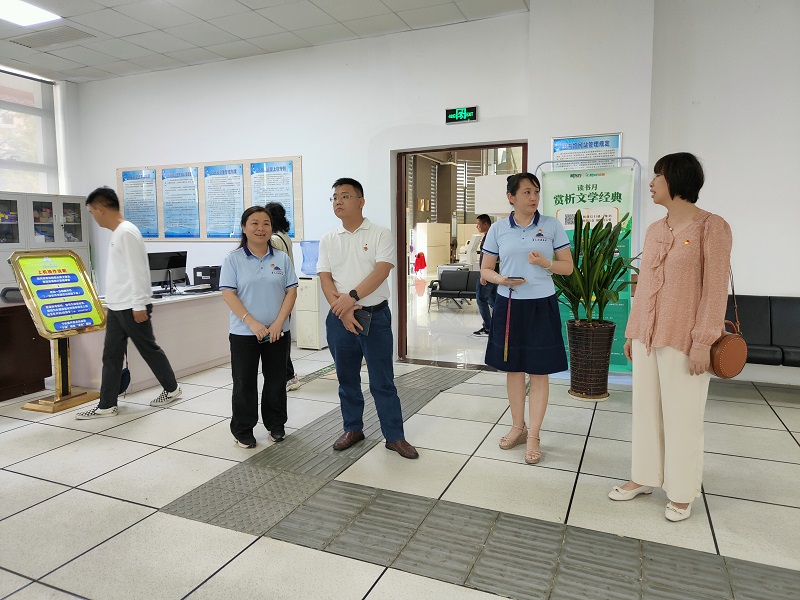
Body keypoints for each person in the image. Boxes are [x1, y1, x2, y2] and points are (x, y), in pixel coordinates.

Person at [609, 152, 732, 522]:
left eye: (658, 175)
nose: (651, 183)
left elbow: (715, 291)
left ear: (677, 180)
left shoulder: (712, 227)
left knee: (683, 417)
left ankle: (681, 492)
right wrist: (632, 332)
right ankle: (644, 476)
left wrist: (703, 341)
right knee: (646, 412)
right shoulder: (655, 230)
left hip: (685, 340)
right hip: (647, 336)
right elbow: (645, 286)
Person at [317, 177, 418, 459]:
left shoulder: (380, 234)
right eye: (334, 197)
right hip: (339, 319)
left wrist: (350, 298)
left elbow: (382, 271)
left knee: (382, 381)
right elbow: (325, 277)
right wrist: (342, 309)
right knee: (346, 378)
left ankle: (394, 436)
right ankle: (353, 429)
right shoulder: (328, 238)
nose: (338, 201)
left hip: (375, 317)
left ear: (361, 201)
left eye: (345, 196)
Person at [480, 173, 573, 464]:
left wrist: (545, 263)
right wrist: (501, 279)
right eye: (527, 192)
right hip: (509, 304)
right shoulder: (498, 229)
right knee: (514, 369)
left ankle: (534, 435)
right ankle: (517, 427)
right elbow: (485, 269)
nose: (533, 198)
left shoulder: (551, 225)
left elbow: (568, 268)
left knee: (540, 371)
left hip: (542, 304)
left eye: (536, 192)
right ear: (511, 197)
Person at [76, 187, 182, 419]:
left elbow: (138, 270)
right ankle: (107, 405)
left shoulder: (126, 232)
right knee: (111, 355)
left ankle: (172, 388)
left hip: (131, 306)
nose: (93, 217)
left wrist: (139, 304)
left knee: (148, 349)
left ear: (101, 209)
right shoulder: (119, 233)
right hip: (117, 306)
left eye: (92, 212)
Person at [219, 206, 298, 448]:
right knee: (244, 382)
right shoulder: (233, 259)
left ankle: (276, 425)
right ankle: (243, 429)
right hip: (244, 333)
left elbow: (291, 291)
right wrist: (252, 322)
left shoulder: (281, 258)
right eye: (254, 223)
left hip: (277, 332)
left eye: (266, 223)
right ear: (244, 228)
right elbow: (228, 294)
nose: (261, 228)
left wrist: (278, 323)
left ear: (272, 228)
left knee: (276, 381)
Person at [265, 202, 301, 392]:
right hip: (287, 291)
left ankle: (287, 376)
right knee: (283, 335)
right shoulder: (285, 237)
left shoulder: (274, 240)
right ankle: (288, 375)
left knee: (278, 337)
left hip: (278, 293)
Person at [472, 213, 498, 337]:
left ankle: (488, 328)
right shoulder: (490, 236)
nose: (477, 226)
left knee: (481, 300)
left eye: (478, 224)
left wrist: (484, 274)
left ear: (486, 224)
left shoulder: (490, 238)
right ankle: (496, 326)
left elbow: (488, 258)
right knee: (493, 301)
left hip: (488, 274)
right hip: (493, 274)